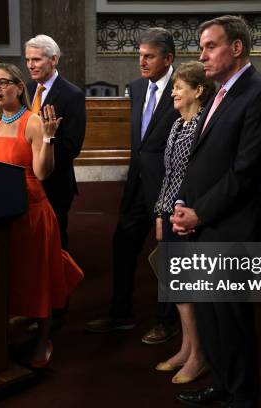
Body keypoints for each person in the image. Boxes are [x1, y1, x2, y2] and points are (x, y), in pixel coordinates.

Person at [172, 16, 261, 407]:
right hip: (204, 222)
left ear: (236, 48)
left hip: (233, 227)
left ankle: (243, 395)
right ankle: (220, 383)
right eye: (201, 47)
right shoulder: (218, 93)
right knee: (210, 317)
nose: (201, 55)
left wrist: (200, 214)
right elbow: (198, 159)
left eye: (210, 46)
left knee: (232, 320)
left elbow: (247, 171)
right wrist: (184, 203)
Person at [0, 63, 83, 367]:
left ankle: (43, 339)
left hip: (31, 212)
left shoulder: (32, 122)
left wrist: (48, 138)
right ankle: (5, 337)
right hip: (2, 213)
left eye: (3, 82)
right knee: (8, 276)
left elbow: (42, 173)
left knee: (38, 278)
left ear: (19, 87)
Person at [85, 28, 180, 345]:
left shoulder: (184, 89)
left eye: (149, 56)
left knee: (168, 256)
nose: (142, 62)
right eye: (140, 55)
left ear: (168, 58)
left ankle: (168, 322)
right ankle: (121, 314)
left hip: (167, 187)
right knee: (123, 245)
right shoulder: (138, 88)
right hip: (136, 184)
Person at [153, 61, 214, 384]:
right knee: (175, 286)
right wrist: (160, 214)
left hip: (190, 216)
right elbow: (170, 175)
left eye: (179, 87)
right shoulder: (177, 124)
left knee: (190, 286)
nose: (173, 92)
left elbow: (196, 178)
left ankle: (199, 354)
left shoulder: (204, 125)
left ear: (198, 91)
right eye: (173, 87)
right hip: (170, 213)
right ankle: (186, 347)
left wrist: (181, 213)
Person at [24, 34, 86, 250]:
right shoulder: (27, 89)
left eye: (37, 59)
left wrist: (42, 163)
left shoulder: (72, 94)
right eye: (28, 60)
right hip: (26, 179)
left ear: (54, 59)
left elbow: (72, 146)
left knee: (55, 238)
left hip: (54, 180)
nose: (31, 65)